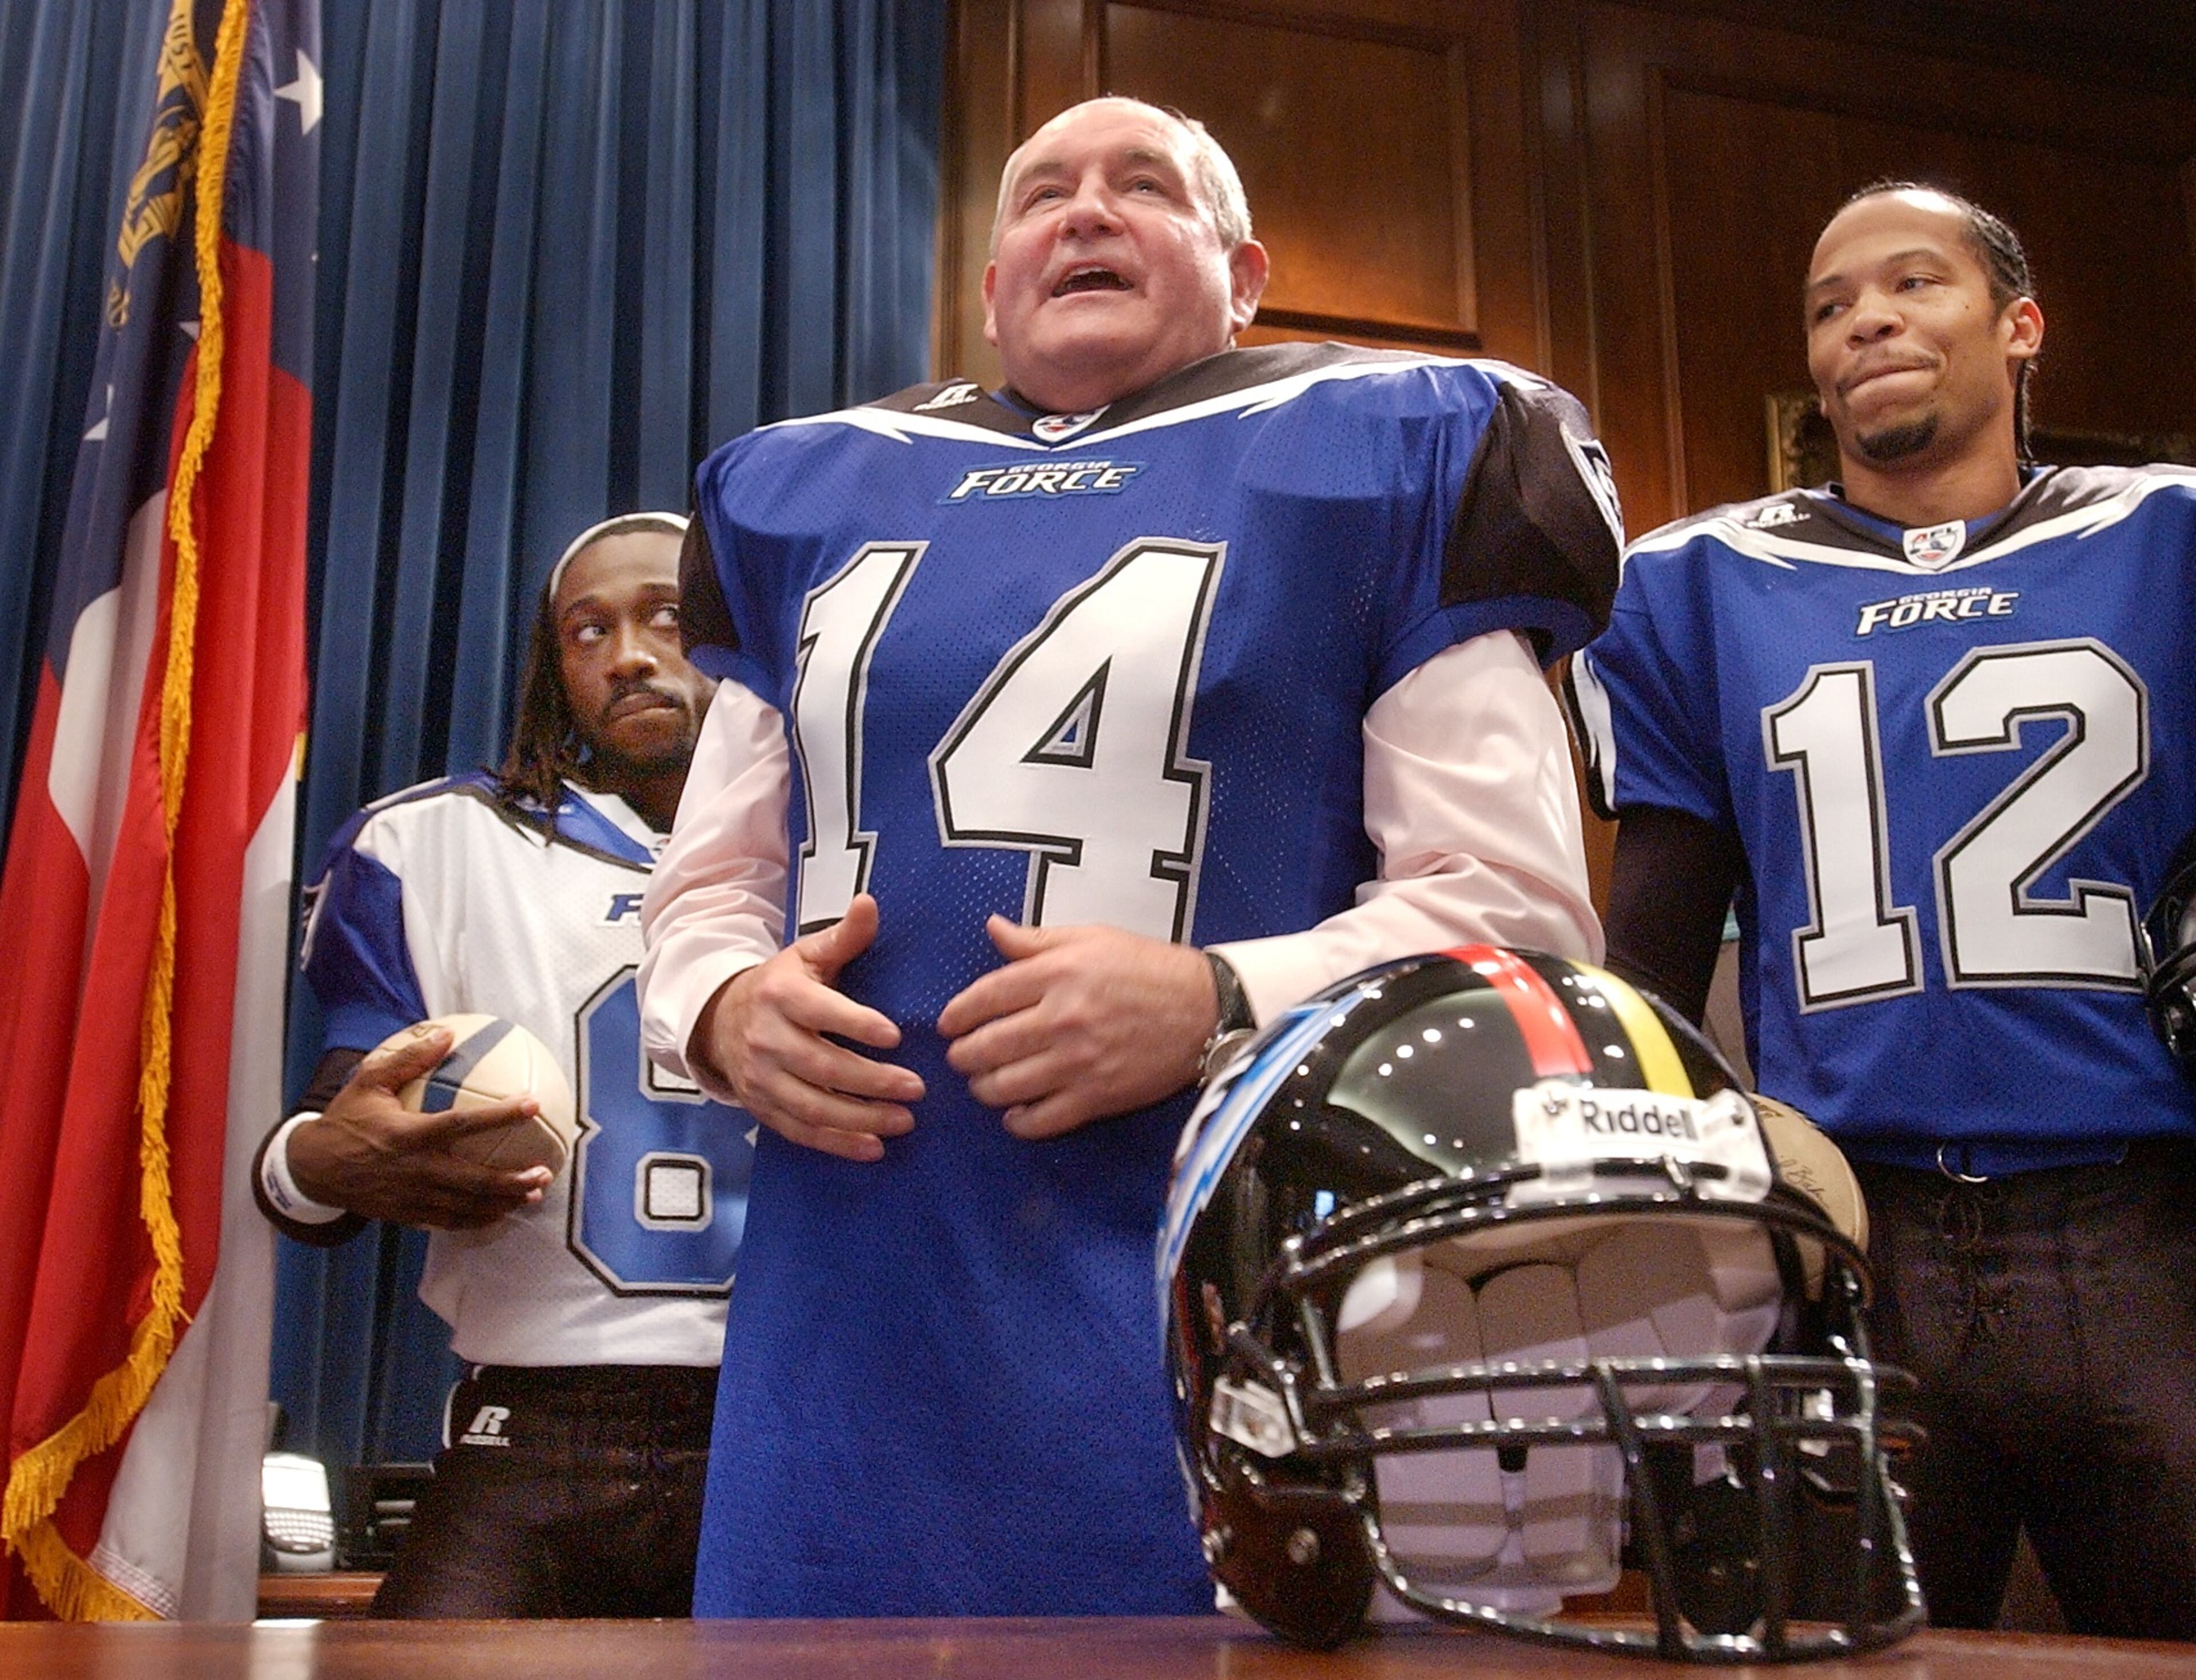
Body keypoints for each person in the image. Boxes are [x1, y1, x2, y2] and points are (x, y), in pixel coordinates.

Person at [638, 95, 1621, 1617]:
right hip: (854, 1291)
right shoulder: (812, 489)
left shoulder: (1392, 448)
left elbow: (1518, 925)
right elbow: (702, 890)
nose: (1085, 211)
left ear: (1244, 273)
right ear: (989, 286)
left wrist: (1218, 1001)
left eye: (1142, 185)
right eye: (1042, 192)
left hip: (1226, 1276)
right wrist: (718, 1006)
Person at [1566, 181, 2196, 1638]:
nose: (1868, 320)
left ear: (2020, 326)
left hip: (2144, 1228)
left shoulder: (2166, 534)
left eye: (1914, 284)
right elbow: (1651, 962)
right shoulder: (1698, 582)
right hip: (1854, 1237)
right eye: (1832, 304)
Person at [254, 513, 752, 1617]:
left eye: (668, 615)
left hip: (796, 1424)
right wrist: (322, 1165)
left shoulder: (849, 843)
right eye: (587, 631)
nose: (627, 652)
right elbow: (324, 1140)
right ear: (551, 672)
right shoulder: (430, 847)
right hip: (537, 1431)